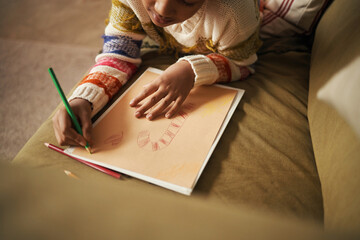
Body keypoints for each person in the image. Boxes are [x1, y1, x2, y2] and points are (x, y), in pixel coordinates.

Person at [52, 0, 262, 147]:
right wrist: (84, 98)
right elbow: (119, 51)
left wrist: (190, 69)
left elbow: (242, 63)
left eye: (187, 0)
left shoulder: (234, 12)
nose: (162, 9)